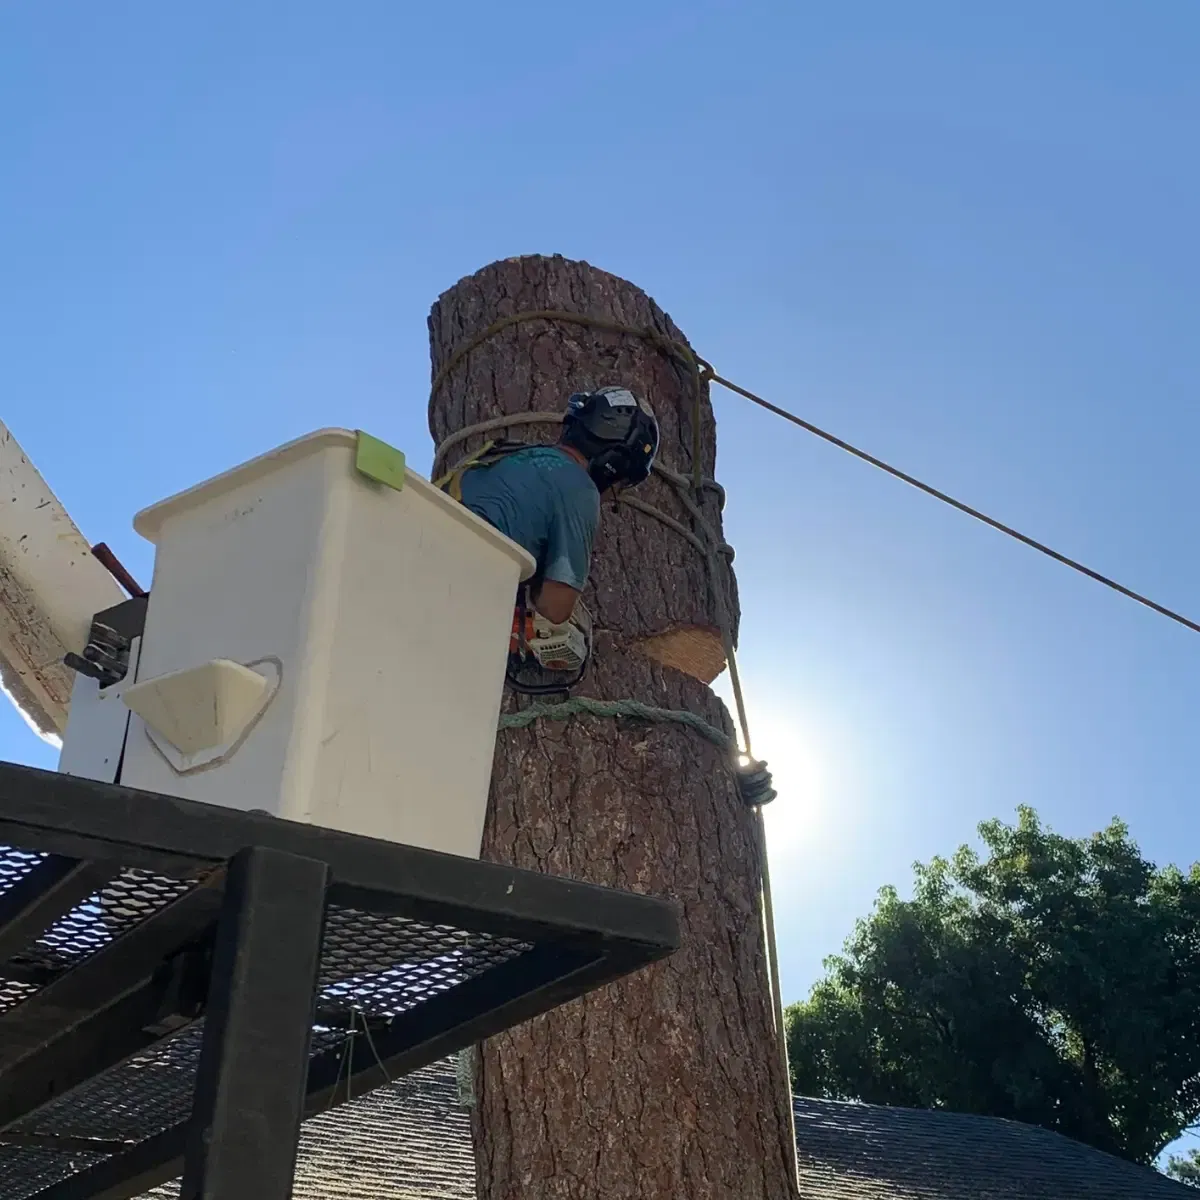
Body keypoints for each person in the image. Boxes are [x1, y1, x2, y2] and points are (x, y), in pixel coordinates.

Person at [438, 386, 659, 625]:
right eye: (620, 486)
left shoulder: (511, 455)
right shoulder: (580, 489)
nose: (611, 496)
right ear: (613, 465)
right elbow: (555, 609)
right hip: (456, 594)